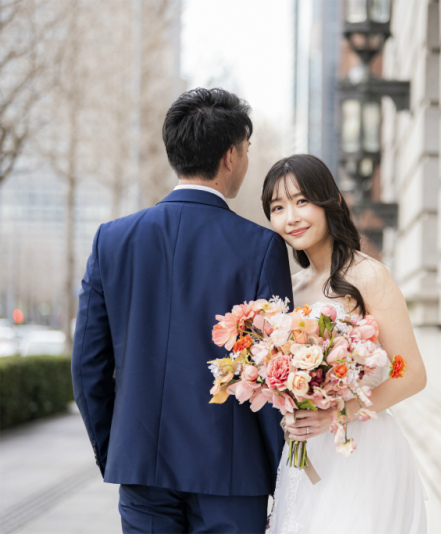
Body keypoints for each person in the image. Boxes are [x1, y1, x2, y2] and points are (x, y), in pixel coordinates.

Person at [71, 87, 293, 533]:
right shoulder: (261, 247)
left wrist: (117, 452)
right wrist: (281, 478)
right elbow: (275, 374)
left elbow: (87, 366)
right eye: (247, 149)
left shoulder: (112, 240)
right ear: (230, 156)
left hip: (142, 469)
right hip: (232, 476)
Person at [262, 154, 428, 534]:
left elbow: (412, 374)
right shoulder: (291, 286)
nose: (291, 217)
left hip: (361, 448)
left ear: (331, 201)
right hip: (306, 450)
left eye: (302, 201)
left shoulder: (368, 276)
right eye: (278, 207)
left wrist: (337, 413)